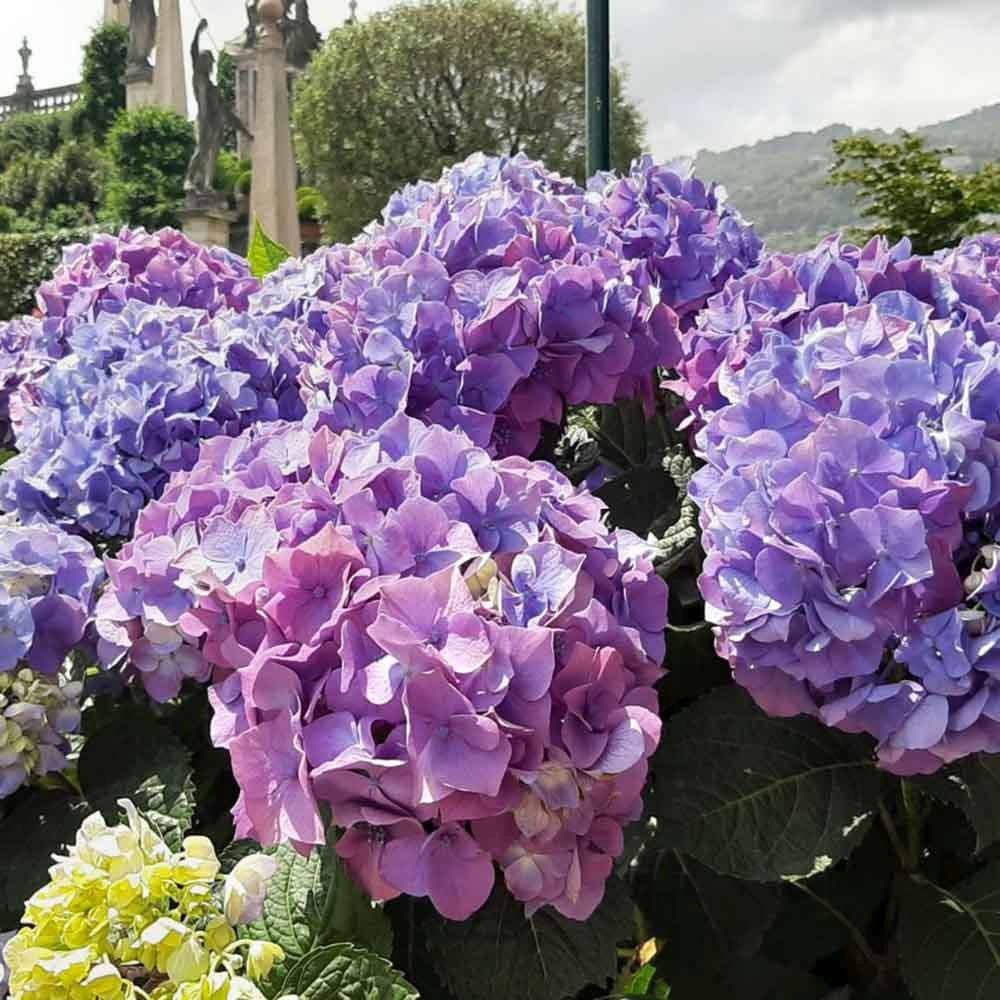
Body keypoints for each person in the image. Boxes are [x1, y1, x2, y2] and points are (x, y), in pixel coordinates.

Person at [186, 19, 253, 196]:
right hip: (203, 120)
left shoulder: (213, 89)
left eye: (209, 61)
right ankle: (189, 179)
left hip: (216, 124)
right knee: (201, 150)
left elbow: (228, 115)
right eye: (205, 60)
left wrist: (246, 133)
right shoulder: (199, 79)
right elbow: (192, 51)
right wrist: (198, 32)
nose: (207, 64)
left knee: (212, 156)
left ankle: (207, 184)